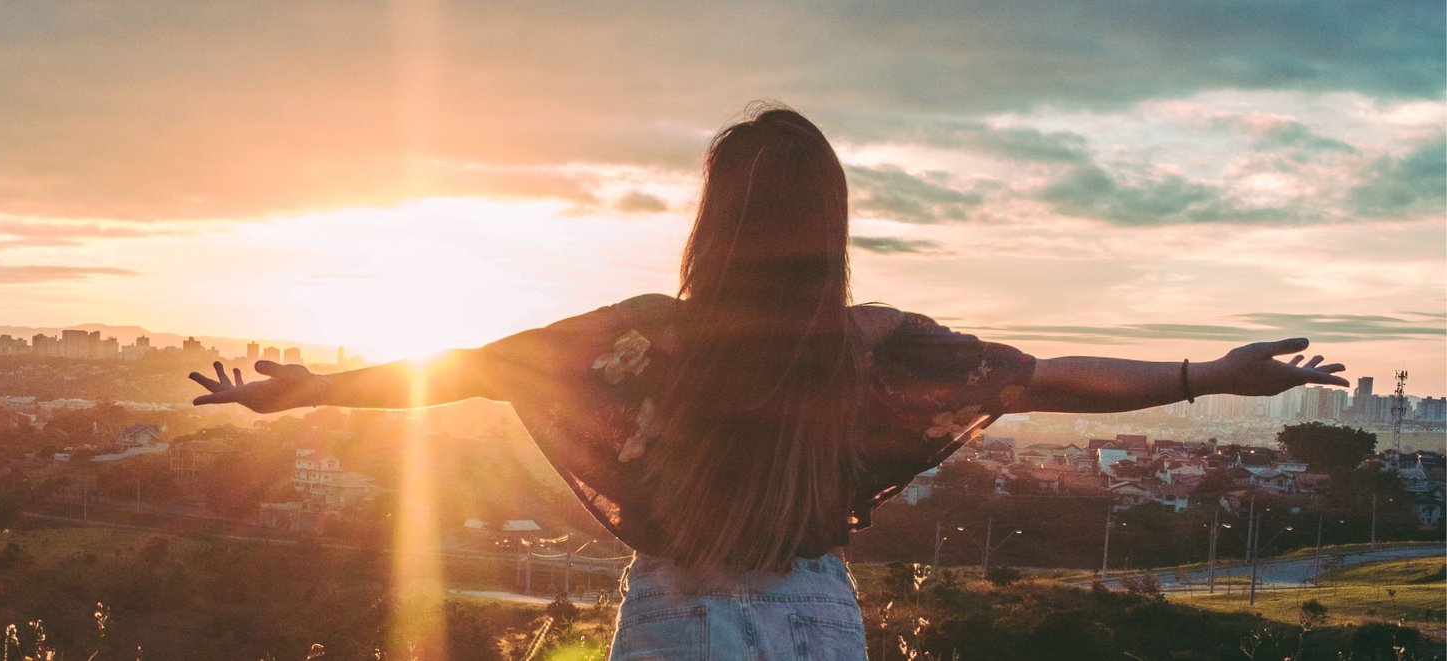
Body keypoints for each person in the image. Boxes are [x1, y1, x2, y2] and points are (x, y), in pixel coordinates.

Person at [188, 105, 1349, 660]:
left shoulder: (646, 340)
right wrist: (1207, 373)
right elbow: (1046, 379)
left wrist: (302, 393)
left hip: (675, 615)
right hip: (811, 618)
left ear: (713, 218)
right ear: (828, 223)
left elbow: (465, 371)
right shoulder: (877, 347)